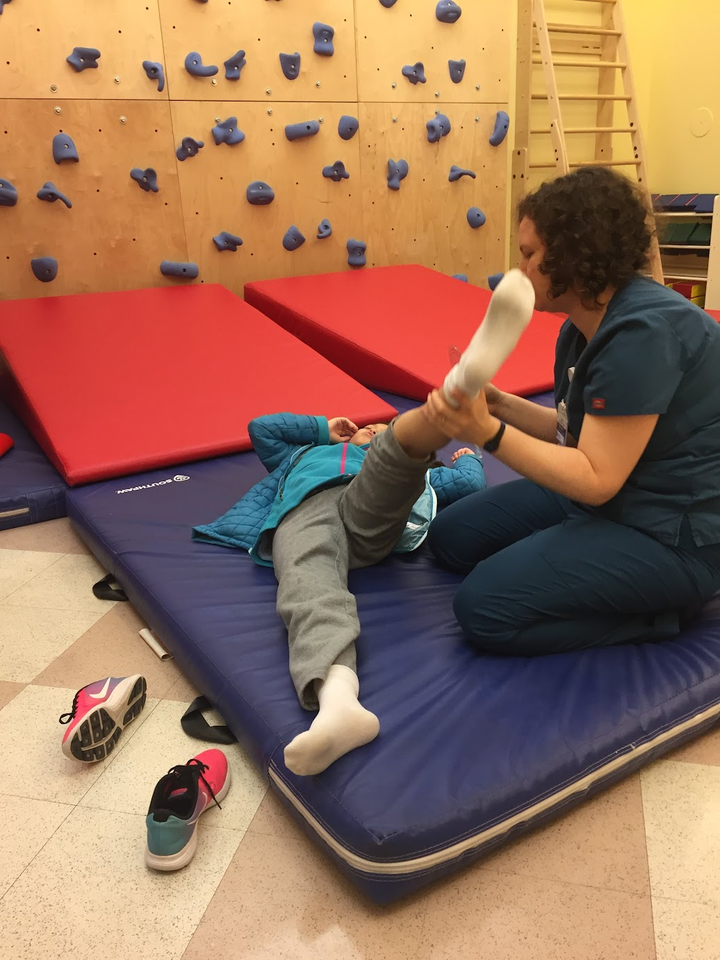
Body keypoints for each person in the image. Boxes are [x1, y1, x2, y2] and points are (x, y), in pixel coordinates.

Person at [423, 166, 720, 660]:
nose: (518, 271)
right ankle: (580, 555)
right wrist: (500, 404)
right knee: (452, 539)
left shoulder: (642, 334)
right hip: (614, 496)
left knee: (483, 610)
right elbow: (575, 435)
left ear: (576, 255)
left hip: (675, 535)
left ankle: (662, 613)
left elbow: (596, 475)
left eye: (529, 255)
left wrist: (487, 432)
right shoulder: (581, 327)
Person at [193, 386, 508, 773]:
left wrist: (467, 460)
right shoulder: (301, 455)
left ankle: (418, 432)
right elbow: (263, 429)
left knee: (389, 470)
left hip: (373, 507)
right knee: (305, 581)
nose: (372, 430)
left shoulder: (403, 467)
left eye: (381, 429)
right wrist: (322, 430)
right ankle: (339, 704)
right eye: (368, 428)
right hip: (307, 506)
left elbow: (468, 485)